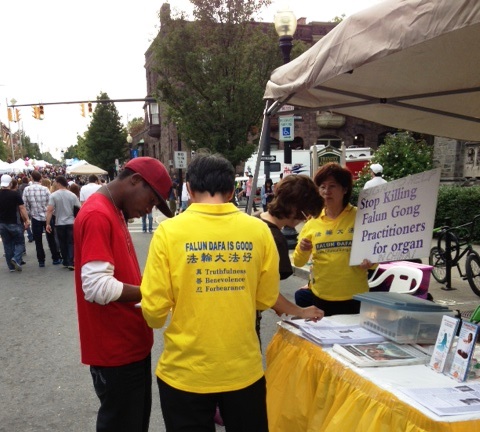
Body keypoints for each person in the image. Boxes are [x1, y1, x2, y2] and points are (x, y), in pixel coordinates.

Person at [140, 153, 280, 432]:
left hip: (185, 371)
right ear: (231, 191)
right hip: (243, 370)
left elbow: (154, 312)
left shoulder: (169, 232)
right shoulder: (258, 231)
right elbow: (265, 299)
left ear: (189, 190)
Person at [73, 157, 172, 432]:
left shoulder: (113, 210)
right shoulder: (98, 213)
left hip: (129, 344)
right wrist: (153, 292)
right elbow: (96, 286)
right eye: (151, 201)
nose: (147, 210)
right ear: (135, 180)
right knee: (122, 423)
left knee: (133, 421)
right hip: (115, 350)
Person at [293, 162, 372, 316]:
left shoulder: (362, 217)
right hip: (321, 298)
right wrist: (303, 249)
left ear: (345, 189)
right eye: (322, 187)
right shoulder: (312, 222)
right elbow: (298, 262)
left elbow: (375, 255)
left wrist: (371, 262)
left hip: (355, 298)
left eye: (332, 186)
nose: (326, 191)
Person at [256, 175, 325, 339]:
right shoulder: (275, 239)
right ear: (294, 208)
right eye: (305, 213)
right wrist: (301, 311)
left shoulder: (255, 220)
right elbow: (268, 293)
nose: (305, 219)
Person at [22, 170, 62, 268]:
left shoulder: (27, 190)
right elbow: (51, 203)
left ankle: (41, 260)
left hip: (35, 217)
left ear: (31, 178)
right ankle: (55, 258)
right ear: (40, 179)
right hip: (47, 216)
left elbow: (25, 205)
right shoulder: (45, 189)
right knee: (51, 238)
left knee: (38, 241)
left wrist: (29, 215)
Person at [46, 176, 81, 270]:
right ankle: (71, 261)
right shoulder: (73, 195)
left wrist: (47, 223)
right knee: (71, 242)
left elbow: (49, 210)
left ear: (59, 183)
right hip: (71, 222)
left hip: (59, 223)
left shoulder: (53, 195)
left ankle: (65, 260)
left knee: (62, 243)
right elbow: (78, 209)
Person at [0, 174, 30, 272]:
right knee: (20, 242)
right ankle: (16, 258)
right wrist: (27, 219)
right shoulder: (15, 194)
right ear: (10, 183)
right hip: (15, 222)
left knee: (7, 245)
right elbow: (22, 208)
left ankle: (11, 267)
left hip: (2, 223)